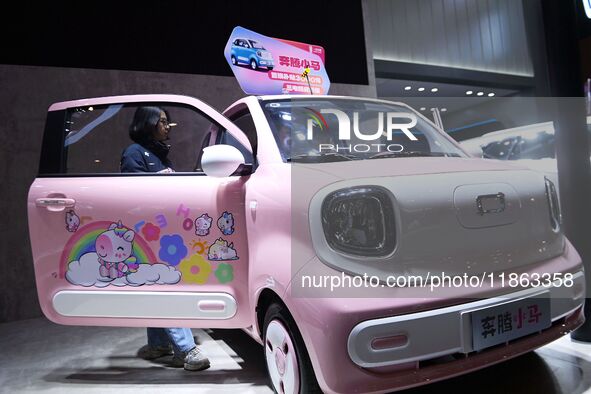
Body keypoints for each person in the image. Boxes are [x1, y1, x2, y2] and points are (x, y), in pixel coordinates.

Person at [120, 106, 210, 371]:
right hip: (145, 230)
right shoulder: (134, 153)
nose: (167, 126)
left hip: (160, 230)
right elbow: (128, 191)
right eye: (161, 121)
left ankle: (159, 344)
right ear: (146, 123)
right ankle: (184, 349)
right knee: (166, 284)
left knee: (156, 282)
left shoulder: (159, 154)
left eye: (167, 122)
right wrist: (158, 179)